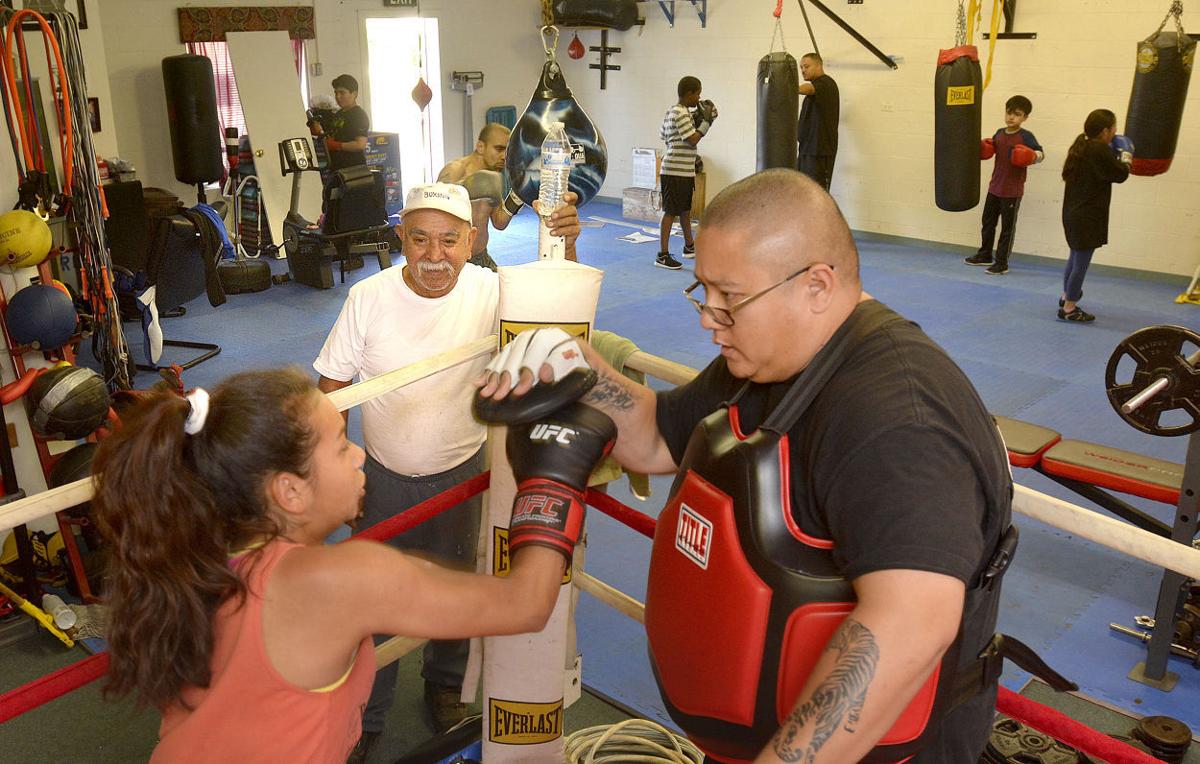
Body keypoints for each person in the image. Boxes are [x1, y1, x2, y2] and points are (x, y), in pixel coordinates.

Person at [479, 169, 1015, 763]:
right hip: (753, 733)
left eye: (730, 298)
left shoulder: (896, 418)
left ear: (816, 285)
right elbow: (659, 438)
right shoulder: (765, 360)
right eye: (702, 290)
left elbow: (911, 624)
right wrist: (581, 367)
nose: (708, 317)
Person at [92, 367, 610, 762]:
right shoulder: (335, 583)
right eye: (341, 446)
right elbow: (525, 603)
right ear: (289, 491)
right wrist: (554, 478)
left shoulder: (197, 549)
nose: (360, 455)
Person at [313, 181, 581, 759]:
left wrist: (565, 243)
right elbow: (330, 389)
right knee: (375, 603)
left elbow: (561, 312)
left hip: (463, 472)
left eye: (449, 241)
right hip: (382, 476)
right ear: (400, 239)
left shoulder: (490, 290)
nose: (435, 257)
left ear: (471, 240)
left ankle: (443, 687)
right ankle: (369, 712)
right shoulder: (369, 296)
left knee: (457, 586)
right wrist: (336, 475)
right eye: (420, 240)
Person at [436, 124, 569, 270]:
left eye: (507, 151)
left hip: (480, 256)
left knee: (505, 290)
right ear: (480, 147)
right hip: (453, 258)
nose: (503, 157)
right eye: (499, 149)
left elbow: (499, 222)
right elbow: (437, 211)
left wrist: (517, 194)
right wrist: (470, 187)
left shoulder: (493, 178)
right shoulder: (456, 169)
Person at [1059, 108, 1130, 323]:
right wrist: (1126, 156)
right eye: (1114, 127)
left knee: (1074, 258)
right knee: (1081, 263)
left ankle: (1066, 297)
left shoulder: (1081, 145)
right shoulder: (1099, 150)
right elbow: (1121, 174)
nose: (1116, 131)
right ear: (1105, 130)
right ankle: (1069, 308)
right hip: (1086, 216)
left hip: (1073, 212)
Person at [964, 95, 1044, 275]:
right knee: (988, 223)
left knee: (1007, 229)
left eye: (1017, 114)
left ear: (1024, 118)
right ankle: (985, 254)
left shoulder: (1026, 136)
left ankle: (1002, 262)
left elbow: (1041, 153)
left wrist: (1032, 156)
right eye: (1009, 113)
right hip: (994, 187)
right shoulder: (999, 133)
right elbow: (990, 150)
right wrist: (984, 148)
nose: (1011, 117)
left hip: (1012, 191)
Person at [657, 75, 717, 270]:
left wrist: (703, 118)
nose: (699, 98)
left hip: (682, 171)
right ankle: (662, 255)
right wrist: (705, 123)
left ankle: (689, 246)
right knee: (670, 212)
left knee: (684, 210)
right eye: (697, 94)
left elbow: (663, 135)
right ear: (689, 93)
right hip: (675, 170)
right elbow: (692, 139)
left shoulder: (674, 112)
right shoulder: (680, 113)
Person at [796, 53, 839, 191]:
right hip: (807, 150)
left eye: (806, 66)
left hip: (820, 151)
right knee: (804, 192)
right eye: (801, 67)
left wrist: (785, 87)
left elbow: (807, 88)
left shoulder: (826, 83)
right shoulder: (815, 89)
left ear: (819, 65)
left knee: (817, 194)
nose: (803, 70)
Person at [310, 74, 370, 172]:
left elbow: (360, 145)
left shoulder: (359, 115)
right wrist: (318, 130)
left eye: (342, 93)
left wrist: (336, 145)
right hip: (336, 167)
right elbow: (332, 136)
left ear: (354, 94)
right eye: (336, 93)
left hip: (353, 169)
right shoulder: (339, 113)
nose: (338, 97)